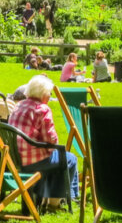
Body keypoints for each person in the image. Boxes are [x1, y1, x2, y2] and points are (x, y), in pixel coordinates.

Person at [7, 74, 79, 210]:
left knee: (59, 158)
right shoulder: (42, 109)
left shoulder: (18, 106)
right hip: (34, 160)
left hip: (16, 159)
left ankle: (51, 201)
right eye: (49, 93)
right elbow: (51, 140)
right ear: (43, 93)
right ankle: (55, 202)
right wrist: (52, 147)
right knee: (70, 159)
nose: (49, 97)